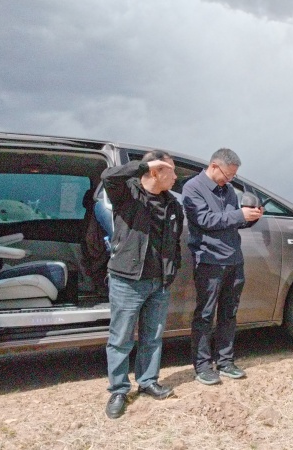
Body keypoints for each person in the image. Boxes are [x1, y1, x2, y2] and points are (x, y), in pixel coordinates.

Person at [102, 151, 183, 419]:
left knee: (152, 337)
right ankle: (119, 390)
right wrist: (144, 165)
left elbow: (175, 243)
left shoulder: (173, 205)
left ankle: (148, 381)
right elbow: (108, 176)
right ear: (156, 171)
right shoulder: (127, 194)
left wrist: (171, 270)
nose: (176, 176)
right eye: (171, 170)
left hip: (159, 282)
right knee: (121, 339)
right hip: (127, 280)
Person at [182, 148, 264, 385]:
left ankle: (225, 361)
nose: (230, 180)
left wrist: (251, 217)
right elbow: (204, 220)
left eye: (233, 176)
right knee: (205, 314)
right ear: (214, 166)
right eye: (228, 175)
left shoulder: (227, 190)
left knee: (229, 313)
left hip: (234, 259)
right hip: (209, 260)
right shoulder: (193, 187)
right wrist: (239, 215)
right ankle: (202, 365)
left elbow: (230, 222)